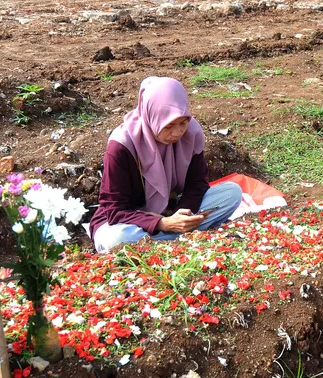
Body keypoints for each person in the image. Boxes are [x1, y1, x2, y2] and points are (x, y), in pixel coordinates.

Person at [89, 77, 242, 253]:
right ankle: (176, 238)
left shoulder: (192, 134)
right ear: (152, 116)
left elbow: (197, 185)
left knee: (232, 193)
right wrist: (162, 223)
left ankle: (159, 243)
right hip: (130, 221)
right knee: (116, 239)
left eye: (183, 123)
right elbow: (115, 210)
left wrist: (183, 215)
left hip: (172, 212)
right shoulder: (122, 145)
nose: (177, 132)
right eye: (168, 125)